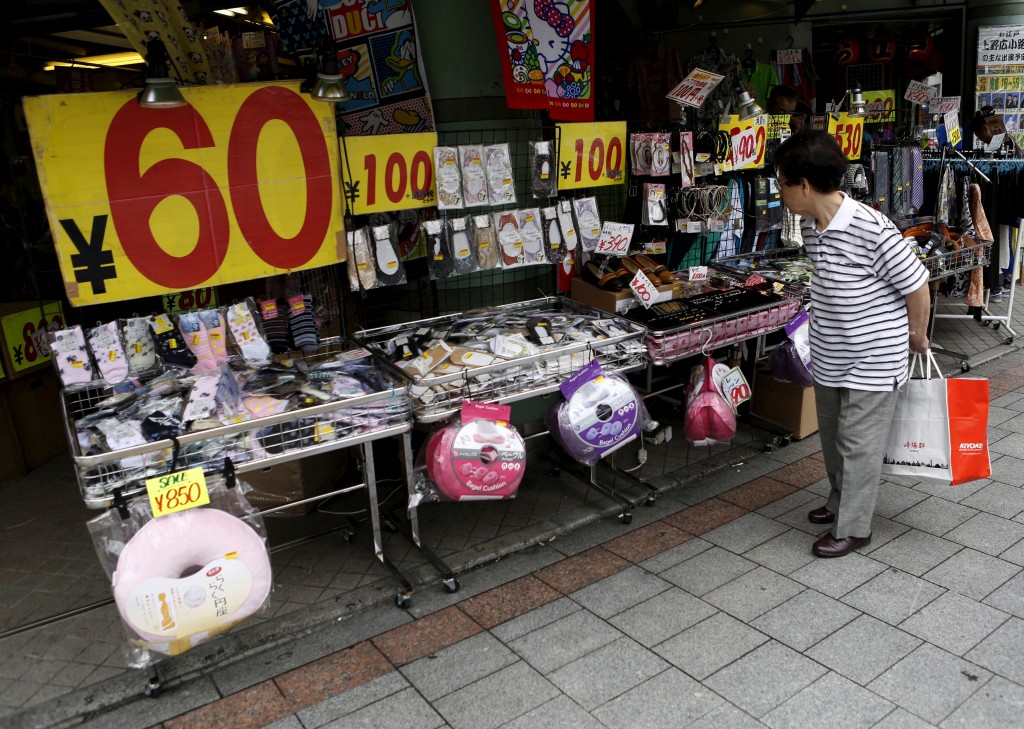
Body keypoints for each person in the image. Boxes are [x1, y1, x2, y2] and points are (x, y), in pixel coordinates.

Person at [774, 130, 931, 558]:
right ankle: (840, 501)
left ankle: (855, 525)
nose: (781, 192)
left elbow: (917, 285)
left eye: (783, 183)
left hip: (874, 359)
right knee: (834, 439)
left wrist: (917, 335)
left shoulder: (870, 227)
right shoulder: (810, 226)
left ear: (803, 185)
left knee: (858, 445)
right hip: (830, 353)